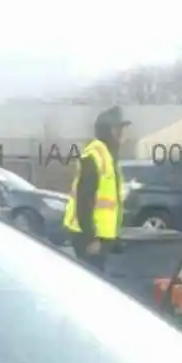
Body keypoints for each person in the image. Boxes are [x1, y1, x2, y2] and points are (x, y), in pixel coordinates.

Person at [63, 106, 129, 273]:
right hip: (90, 237)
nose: (123, 134)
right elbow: (84, 201)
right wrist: (90, 238)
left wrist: (113, 236)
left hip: (102, 237)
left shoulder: (109, 156)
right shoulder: (94, 156)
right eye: (120, 129)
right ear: (111, 131)